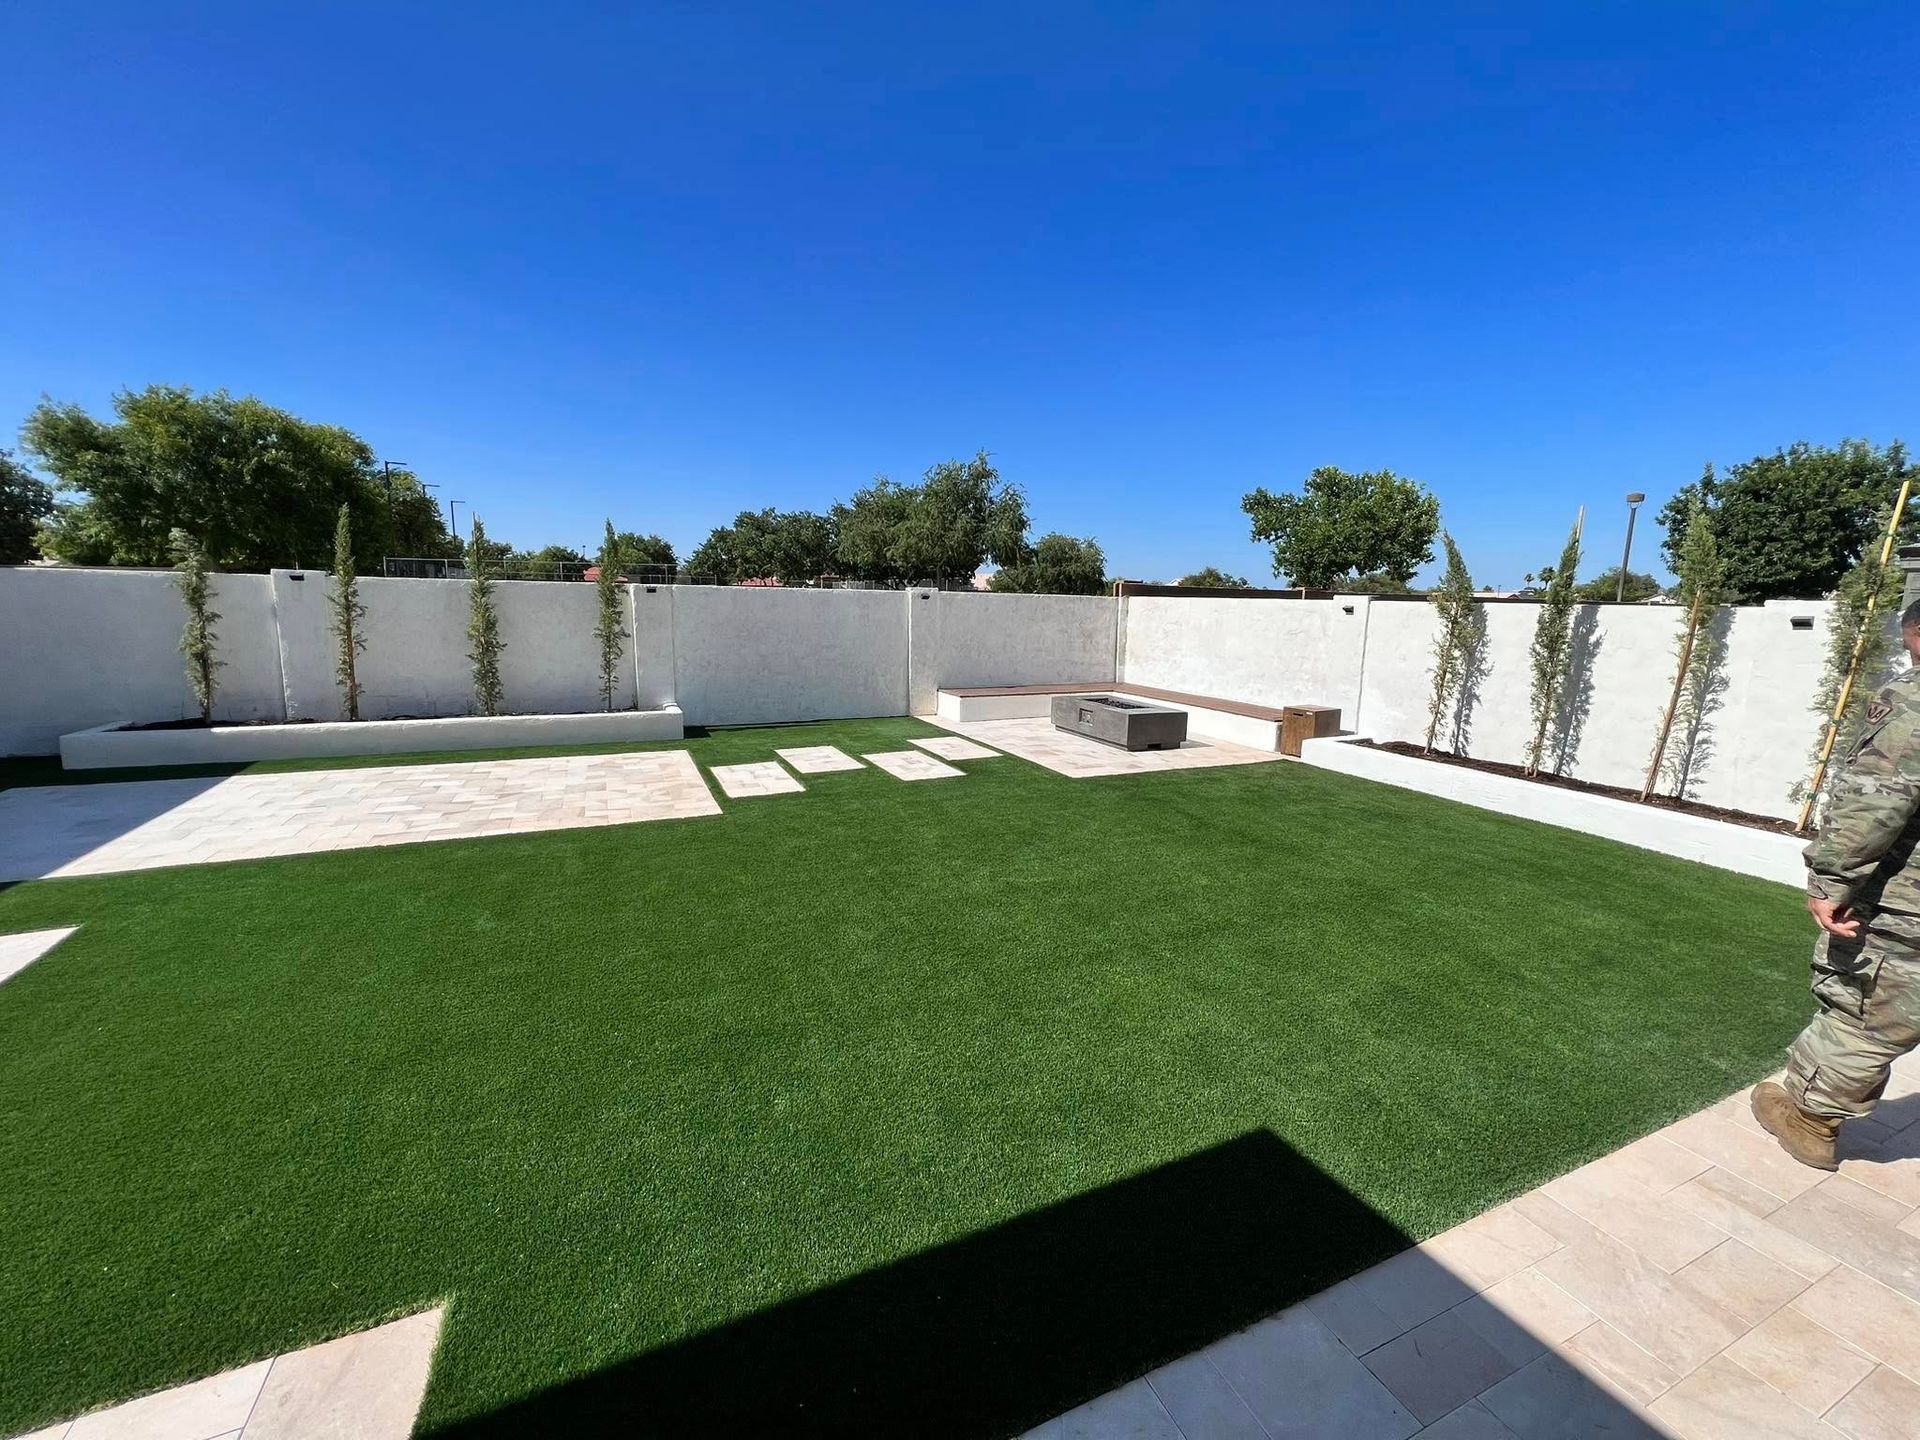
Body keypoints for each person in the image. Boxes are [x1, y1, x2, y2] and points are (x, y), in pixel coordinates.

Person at [1753, 598, 1920, 1170]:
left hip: (1909, 907)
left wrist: (1830, 879)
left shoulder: (1913, 706)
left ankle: (1811, 1120)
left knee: (1866, 1012)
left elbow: (1876, 802)